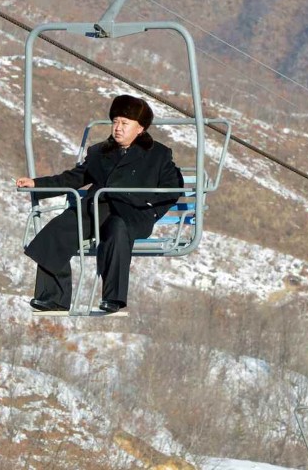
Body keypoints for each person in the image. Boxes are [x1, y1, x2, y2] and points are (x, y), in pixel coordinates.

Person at [16, 94, 183, 314]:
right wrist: (37, 183)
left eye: (125, 123)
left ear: (140, 128)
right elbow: (73, 178)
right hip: (96, 209)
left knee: (117, 231)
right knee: (58, 229)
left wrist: (151, 210)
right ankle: (53, 297)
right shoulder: (100, 152)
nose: (118, 128)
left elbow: (173, 188)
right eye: (115, 122)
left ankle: (113, 298)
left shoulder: (157, 154)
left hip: (132, 214)